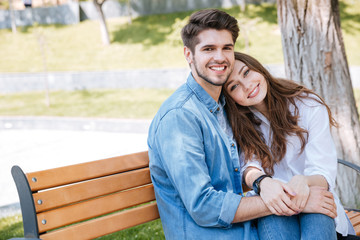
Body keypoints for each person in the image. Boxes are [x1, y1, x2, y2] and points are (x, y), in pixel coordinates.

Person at [148, 9, 337, 240]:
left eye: (226, 48)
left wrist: (275, 189)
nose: (220, 57)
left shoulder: (226, 109)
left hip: (245, 227)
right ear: (188, 54)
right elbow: (204, 206)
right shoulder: (180, 117)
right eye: (208, 49)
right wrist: (294, 200)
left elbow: (249, 164)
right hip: (214, 235)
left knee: (313, 214)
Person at [224, 51, 357, 239]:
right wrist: (264, 182)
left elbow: (322, 172)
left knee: (318, 213)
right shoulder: (241, 123)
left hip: (314, 195)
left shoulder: (308, 106)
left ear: (258, 68)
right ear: (231, 98)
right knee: (273, 217)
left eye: (246, 73)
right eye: (234, 86)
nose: (246, 86)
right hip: (271, 201)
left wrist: (304, 182)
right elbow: (249, 166)